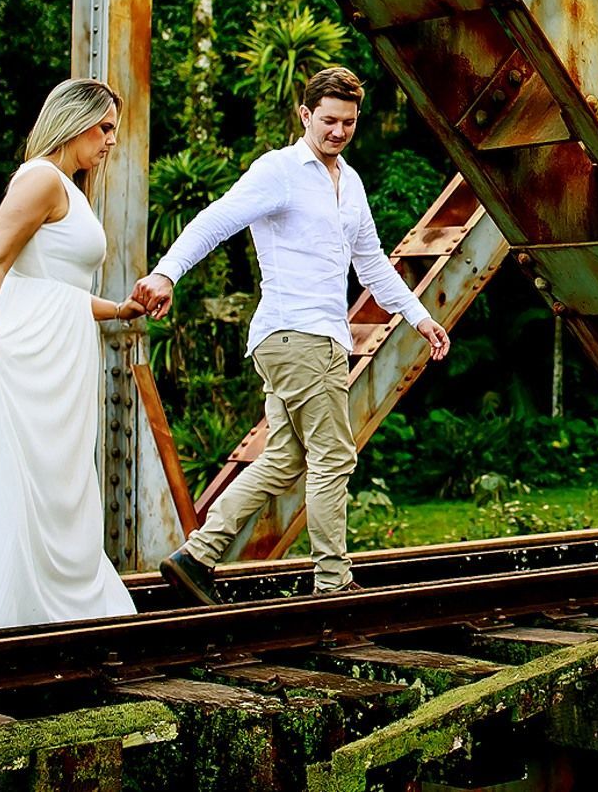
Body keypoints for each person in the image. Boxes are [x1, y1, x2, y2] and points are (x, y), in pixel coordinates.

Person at [135, 67, 450, 602]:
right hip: (298, 335)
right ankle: (333, 581)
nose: (338, 131)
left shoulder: (349, 182)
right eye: (328, 120)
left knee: (284, 458)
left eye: (348, 122)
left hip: (306, 339)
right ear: (305, 115)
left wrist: (419, 316)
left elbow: (371, 263)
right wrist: (166, 272)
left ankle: (197, 555)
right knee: (334, 455)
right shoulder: (279, 170)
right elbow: (218, 219)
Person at [0, 78, 145, 632]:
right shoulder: (40, 178)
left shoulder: (67, 185)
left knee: (64, 488)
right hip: (30, 359)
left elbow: (56, 285)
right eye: (105, 127)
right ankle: (10, 622)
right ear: (75, 120)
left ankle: (61, 615)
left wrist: (118, 310)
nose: (111, 140)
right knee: (33, 489)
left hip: (61, 355)